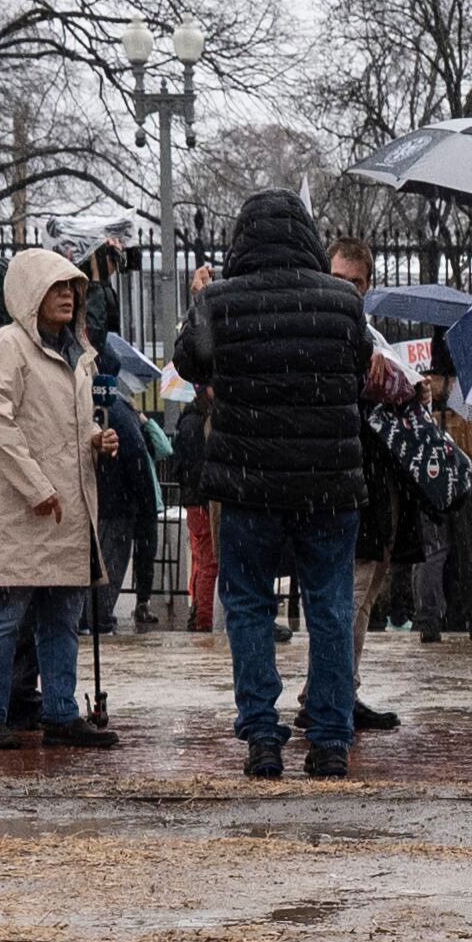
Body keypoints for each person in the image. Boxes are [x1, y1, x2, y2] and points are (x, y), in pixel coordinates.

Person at [174, 187, 375, 779]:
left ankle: (263, 735)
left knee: (250, 606)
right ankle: (332, 739)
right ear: (308, 238)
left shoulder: (221, 302)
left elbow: (189, 363)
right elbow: (360, 367)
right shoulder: (341, 302)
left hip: (247, 484)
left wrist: (201, 304)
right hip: (329, 485)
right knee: (331, 609)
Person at [0, 246, 121, 749]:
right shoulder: (7, 347)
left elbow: (57, 423)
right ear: (30, 292)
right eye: (55, 286)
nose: (68, 296)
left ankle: (60, 711)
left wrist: (95, 437)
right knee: (7, 612)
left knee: (62, 616)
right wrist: (36, 487)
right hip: (29, 509)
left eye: (72, 286)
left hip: (67, 509)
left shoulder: (76, 353)